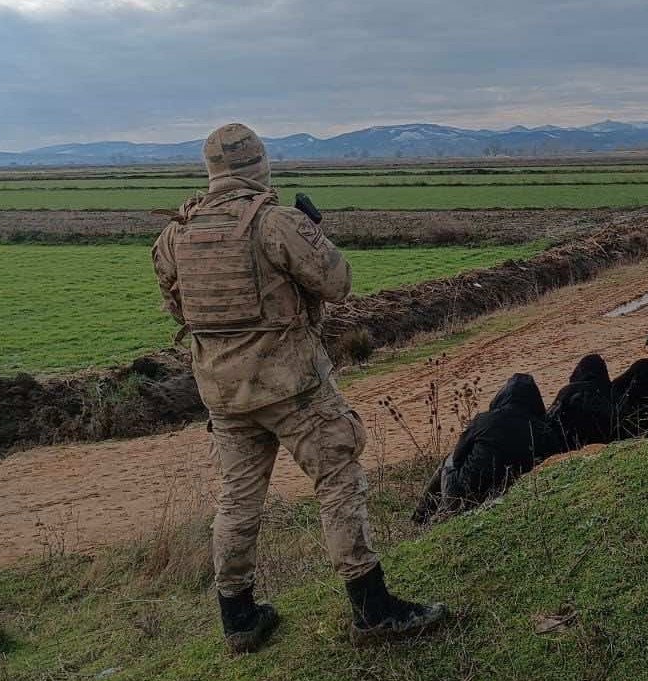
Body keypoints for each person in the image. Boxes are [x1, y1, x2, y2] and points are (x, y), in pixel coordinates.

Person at [151, 123, 446, 653]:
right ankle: (372, 610)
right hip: (293, 387)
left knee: (238, 500)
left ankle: (238, 618)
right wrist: (312, 232)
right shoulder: (274, 222)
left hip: (223, 394)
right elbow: (337, 283)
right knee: (338, 481)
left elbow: (177, 307)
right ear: (259, 164)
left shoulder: (177, 233)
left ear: (211, 170)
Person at [413, 373, 560, 523]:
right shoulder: (542, 430)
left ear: (503, 395)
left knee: (448, 460)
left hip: (464, 493)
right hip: (507, 494)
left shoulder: (484, 420)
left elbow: (457, 458)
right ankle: (438, 515)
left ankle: (421, 516)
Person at [546, 353, 613, 451]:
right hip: (607, 442)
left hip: (569, 447)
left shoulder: (568, 392)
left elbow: (550, 419)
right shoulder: (611, 391)